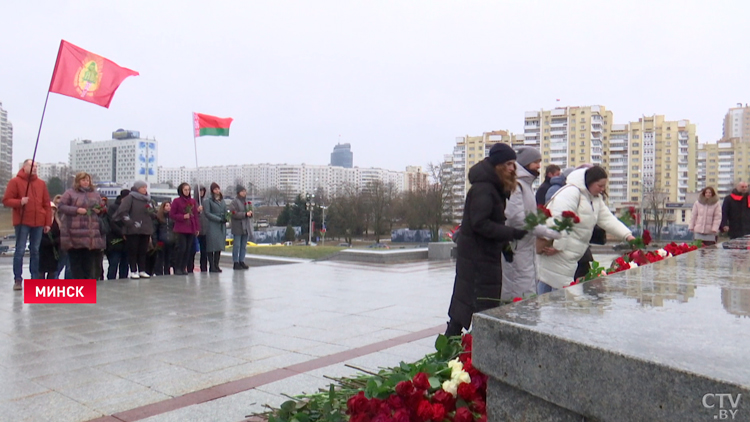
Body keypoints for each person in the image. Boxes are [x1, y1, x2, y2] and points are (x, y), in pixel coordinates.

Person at [445, 143, 528, 336]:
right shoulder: (484, 189)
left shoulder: (494, 188)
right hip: (477, 259)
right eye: (508, 163)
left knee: (469, 304)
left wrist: (505, 247)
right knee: (473, 304)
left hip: (482, 256)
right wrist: (511, 233)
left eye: (513, 163)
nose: (512, 168)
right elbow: (480, 224)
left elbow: (493, 220)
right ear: (497, 165)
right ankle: (459, 351)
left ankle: (457, 350)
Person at [538, 166, 635, 293]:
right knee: (551, 286)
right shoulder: (571, 193)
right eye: (599, 185)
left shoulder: (594, 199)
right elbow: (559, 219)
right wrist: (558, 245)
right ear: (590, 182)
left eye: (604, 186)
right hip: (558, 251)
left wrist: (627, 235)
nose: (602, 189)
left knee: (554, 287)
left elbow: (607, 219)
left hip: (569, 253)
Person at [501, 147, 556, 300]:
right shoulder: (517, 185)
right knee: (517, 287)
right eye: (536, 162)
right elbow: (516, 218)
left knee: (526, 284)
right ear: (525, 163)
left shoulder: (525, 185)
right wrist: (544, 231)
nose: (539, 166)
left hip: (525, 247)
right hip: (517, 246)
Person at [2, 159, 51, 290]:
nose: (35, 168)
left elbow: (46, 204)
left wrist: (47, 222)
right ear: (24, 167)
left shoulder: (41, 183)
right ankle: (18, 279)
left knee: (35, 250)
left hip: (38, 221)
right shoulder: (15, 182)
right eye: (32, 165)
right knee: (20, 250)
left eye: (36, 166)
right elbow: (6, 200)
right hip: (22, 221)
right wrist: (19, 202)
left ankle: (35, 279)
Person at [58, 172, 106, 279]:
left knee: (88, 265)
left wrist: (99, 209)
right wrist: (76, 210)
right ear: (78, 181)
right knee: (76, 265)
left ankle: (87, 288)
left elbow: (102, 207)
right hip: (74, 233)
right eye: (83, 180)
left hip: (90, 235)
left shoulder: (95, 194)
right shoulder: (70, 193)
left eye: (87, 180)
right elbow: (61, 206)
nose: (86, 182)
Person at [113, 181, 156, 279]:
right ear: (137, 188)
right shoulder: (130, 198)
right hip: (133, 229)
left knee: (143, 251)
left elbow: (154, 214)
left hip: (145, 228)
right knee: (133, 250)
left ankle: (142, 270)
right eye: (142, 187)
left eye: (145, 187)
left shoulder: (148, 200)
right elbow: (123, 212)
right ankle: (133, 270)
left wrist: (151, 212)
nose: (145, 189)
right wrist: (130, 223)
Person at [170, 183, 201, 275]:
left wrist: (197, 228)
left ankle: (183, 268)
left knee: (188, 249)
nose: (187, 192)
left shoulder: (192, 201)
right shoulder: (176, 201)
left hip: (190, 229)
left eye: (188, 190)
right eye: (185, 190)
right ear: (181, 191)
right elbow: (172, 215)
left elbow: (195, 216)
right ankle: (178, 267)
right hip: (180, 229)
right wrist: (183, 216)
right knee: (181, 248)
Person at [106, 190, 130, 279]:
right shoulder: (113, 207)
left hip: (127, 240)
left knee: (125, 264)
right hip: (115, 239)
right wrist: (122, 233)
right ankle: (110, 280)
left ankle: (123, 280)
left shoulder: (130, 208)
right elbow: (112, 222)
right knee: (114, 263)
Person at [205, 183, 228, 272]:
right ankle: (211, 265)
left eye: (218, 189)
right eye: (215, 189)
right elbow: (207, 213)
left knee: (219, 246)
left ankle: (216, 264)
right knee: (211, 246)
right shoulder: (208, 200)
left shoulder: (222, 200)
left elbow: (225, 210)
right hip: (212, 225)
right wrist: (218, 219)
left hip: (221, 225)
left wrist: (227, 217)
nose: (217, 191)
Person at [230, 186, 254, 270]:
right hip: (237, 227)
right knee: (237, 245)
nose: (244, 193)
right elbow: (233, 213)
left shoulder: (247, 202)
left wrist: (250, 213)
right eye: (242, 191)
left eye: (245, 191)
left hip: (246, 226)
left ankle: (242, 261)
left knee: (243, 246)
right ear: (238, 192)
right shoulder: (234, 202)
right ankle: (235, 262)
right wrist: (244, 214)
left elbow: (250, 212)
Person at [39, 201, 61, 279]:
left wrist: (55, 241)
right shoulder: (40, 222)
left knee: (52, 272)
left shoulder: (58, 222)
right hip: (42, 251)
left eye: (53, 209)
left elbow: (60, 235)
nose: (51, 211)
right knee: (41, 272)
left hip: (53, 252)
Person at [153, 200, 175, 275]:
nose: (169, 207)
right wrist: (155, 241)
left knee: (168, 258)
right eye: (167, 206)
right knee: (160, 258)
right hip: (161, 240)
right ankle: (158, 272)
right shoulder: (158, 217)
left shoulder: (172, 217)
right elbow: (155, 230)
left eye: (169, 206)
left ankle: (167, 271)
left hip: (170, 240)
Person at [196, 186, 209, 272]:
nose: (201, 193)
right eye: (200, 191)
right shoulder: (194, 202)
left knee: (204, 250)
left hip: (205, 229)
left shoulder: (205, 202)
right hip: (196, 229)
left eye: (203, 191)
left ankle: (203, 266)